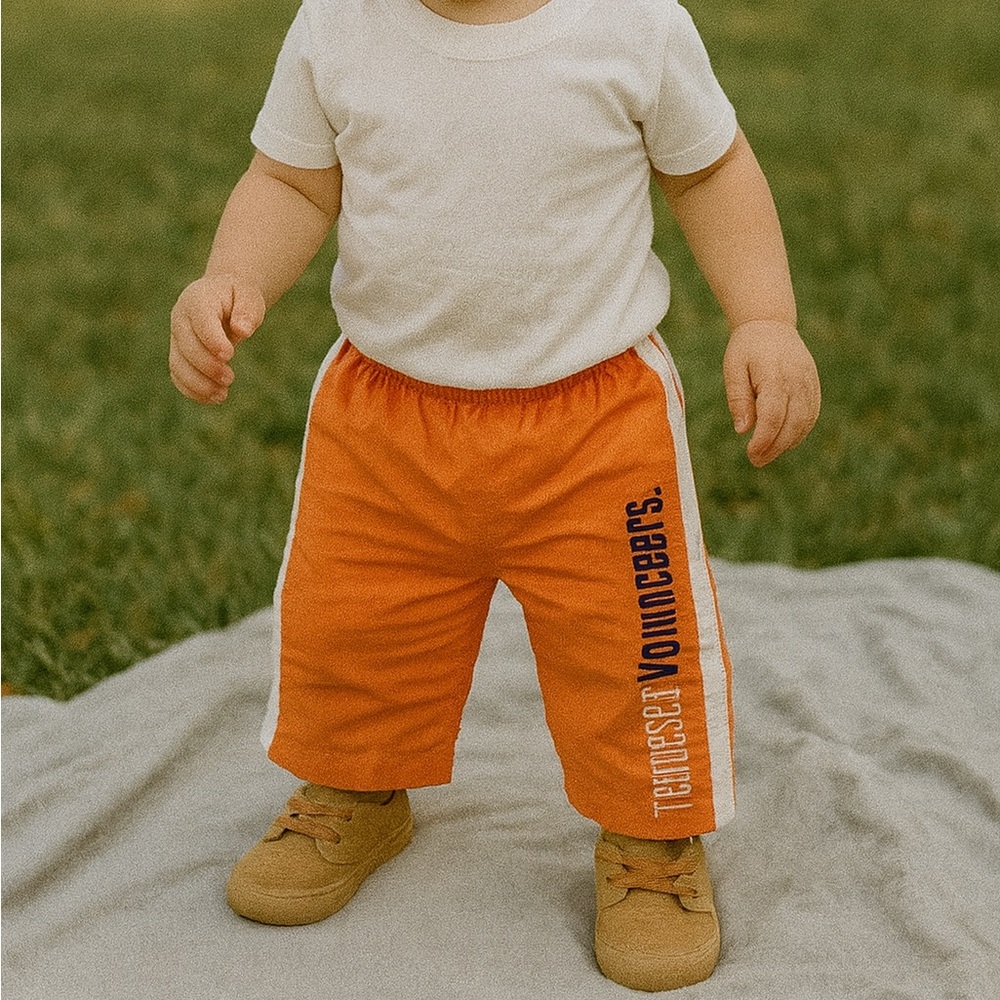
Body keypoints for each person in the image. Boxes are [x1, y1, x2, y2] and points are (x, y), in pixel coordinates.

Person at [169, 0, 820, 990]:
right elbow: (292, 180)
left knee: (633, 646)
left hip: (594, 423)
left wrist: (765, 315)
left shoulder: (633, 26)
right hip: (387, 420)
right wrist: (229, 274)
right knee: (353, 624)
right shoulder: (338, 25)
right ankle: (355, 787)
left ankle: (652, 845)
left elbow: (709, 169)